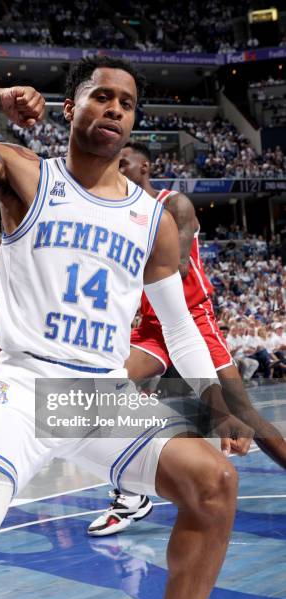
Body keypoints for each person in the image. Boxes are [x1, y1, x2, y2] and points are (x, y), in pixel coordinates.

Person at [0, 57, 251, 599]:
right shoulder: (27, 172)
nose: (115, 109)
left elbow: (179, 325)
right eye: (101, 96)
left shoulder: (155, 221)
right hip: (26, 388)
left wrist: (217, 406)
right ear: (70, 107)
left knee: (215, 484)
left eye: (127, 104)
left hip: (99, 396)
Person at [88, 141, 286, 536]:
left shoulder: (174, 205)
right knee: (103, 391)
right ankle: (131, 494)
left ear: (145, 167)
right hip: (150, 329)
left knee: (243, 414)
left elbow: (175, 267)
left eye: (124, 162)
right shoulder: (118, 214)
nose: (117, 167)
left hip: (191, 319)